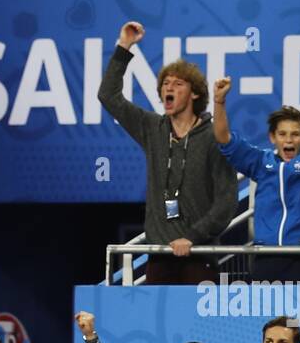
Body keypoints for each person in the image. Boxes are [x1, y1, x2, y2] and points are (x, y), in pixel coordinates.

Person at [98, 21, 238, 285]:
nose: (168, 88)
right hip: (159, 256)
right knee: (157, 327)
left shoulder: (213, 136)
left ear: (195, 93)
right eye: (165, 84)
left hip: (199, 254)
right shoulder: (152, 128)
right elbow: (108, 96)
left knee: (199, 327)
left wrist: (193, 237)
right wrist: (125, 46)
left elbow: (227, 201)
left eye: (177, 83)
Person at [213, 75, 300, 283]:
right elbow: (223, 139)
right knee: (266, 316)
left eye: (295, 134)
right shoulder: (260, 163)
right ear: (273, 138)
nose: (289, 139)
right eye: (282, 134)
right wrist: (219, 101)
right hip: (266, 255)